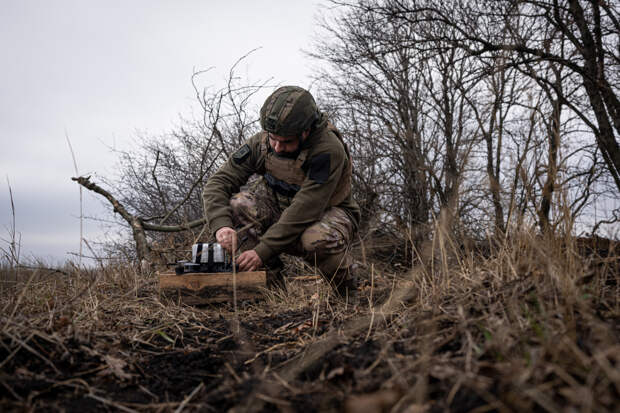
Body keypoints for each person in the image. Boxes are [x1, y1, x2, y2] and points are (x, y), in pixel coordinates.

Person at [202, 86, 360, 299]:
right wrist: (221, 226)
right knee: (239, 204)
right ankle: (271, 292)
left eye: (286, 142)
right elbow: (219, 182)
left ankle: (347, 295)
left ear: (306, 131)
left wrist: (262, 251)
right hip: (281, 211)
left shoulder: (327, 150)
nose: (276, 147)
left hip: (329, 215)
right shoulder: (261, 144)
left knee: (316, 238)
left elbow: (305, 209)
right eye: (273, 138)